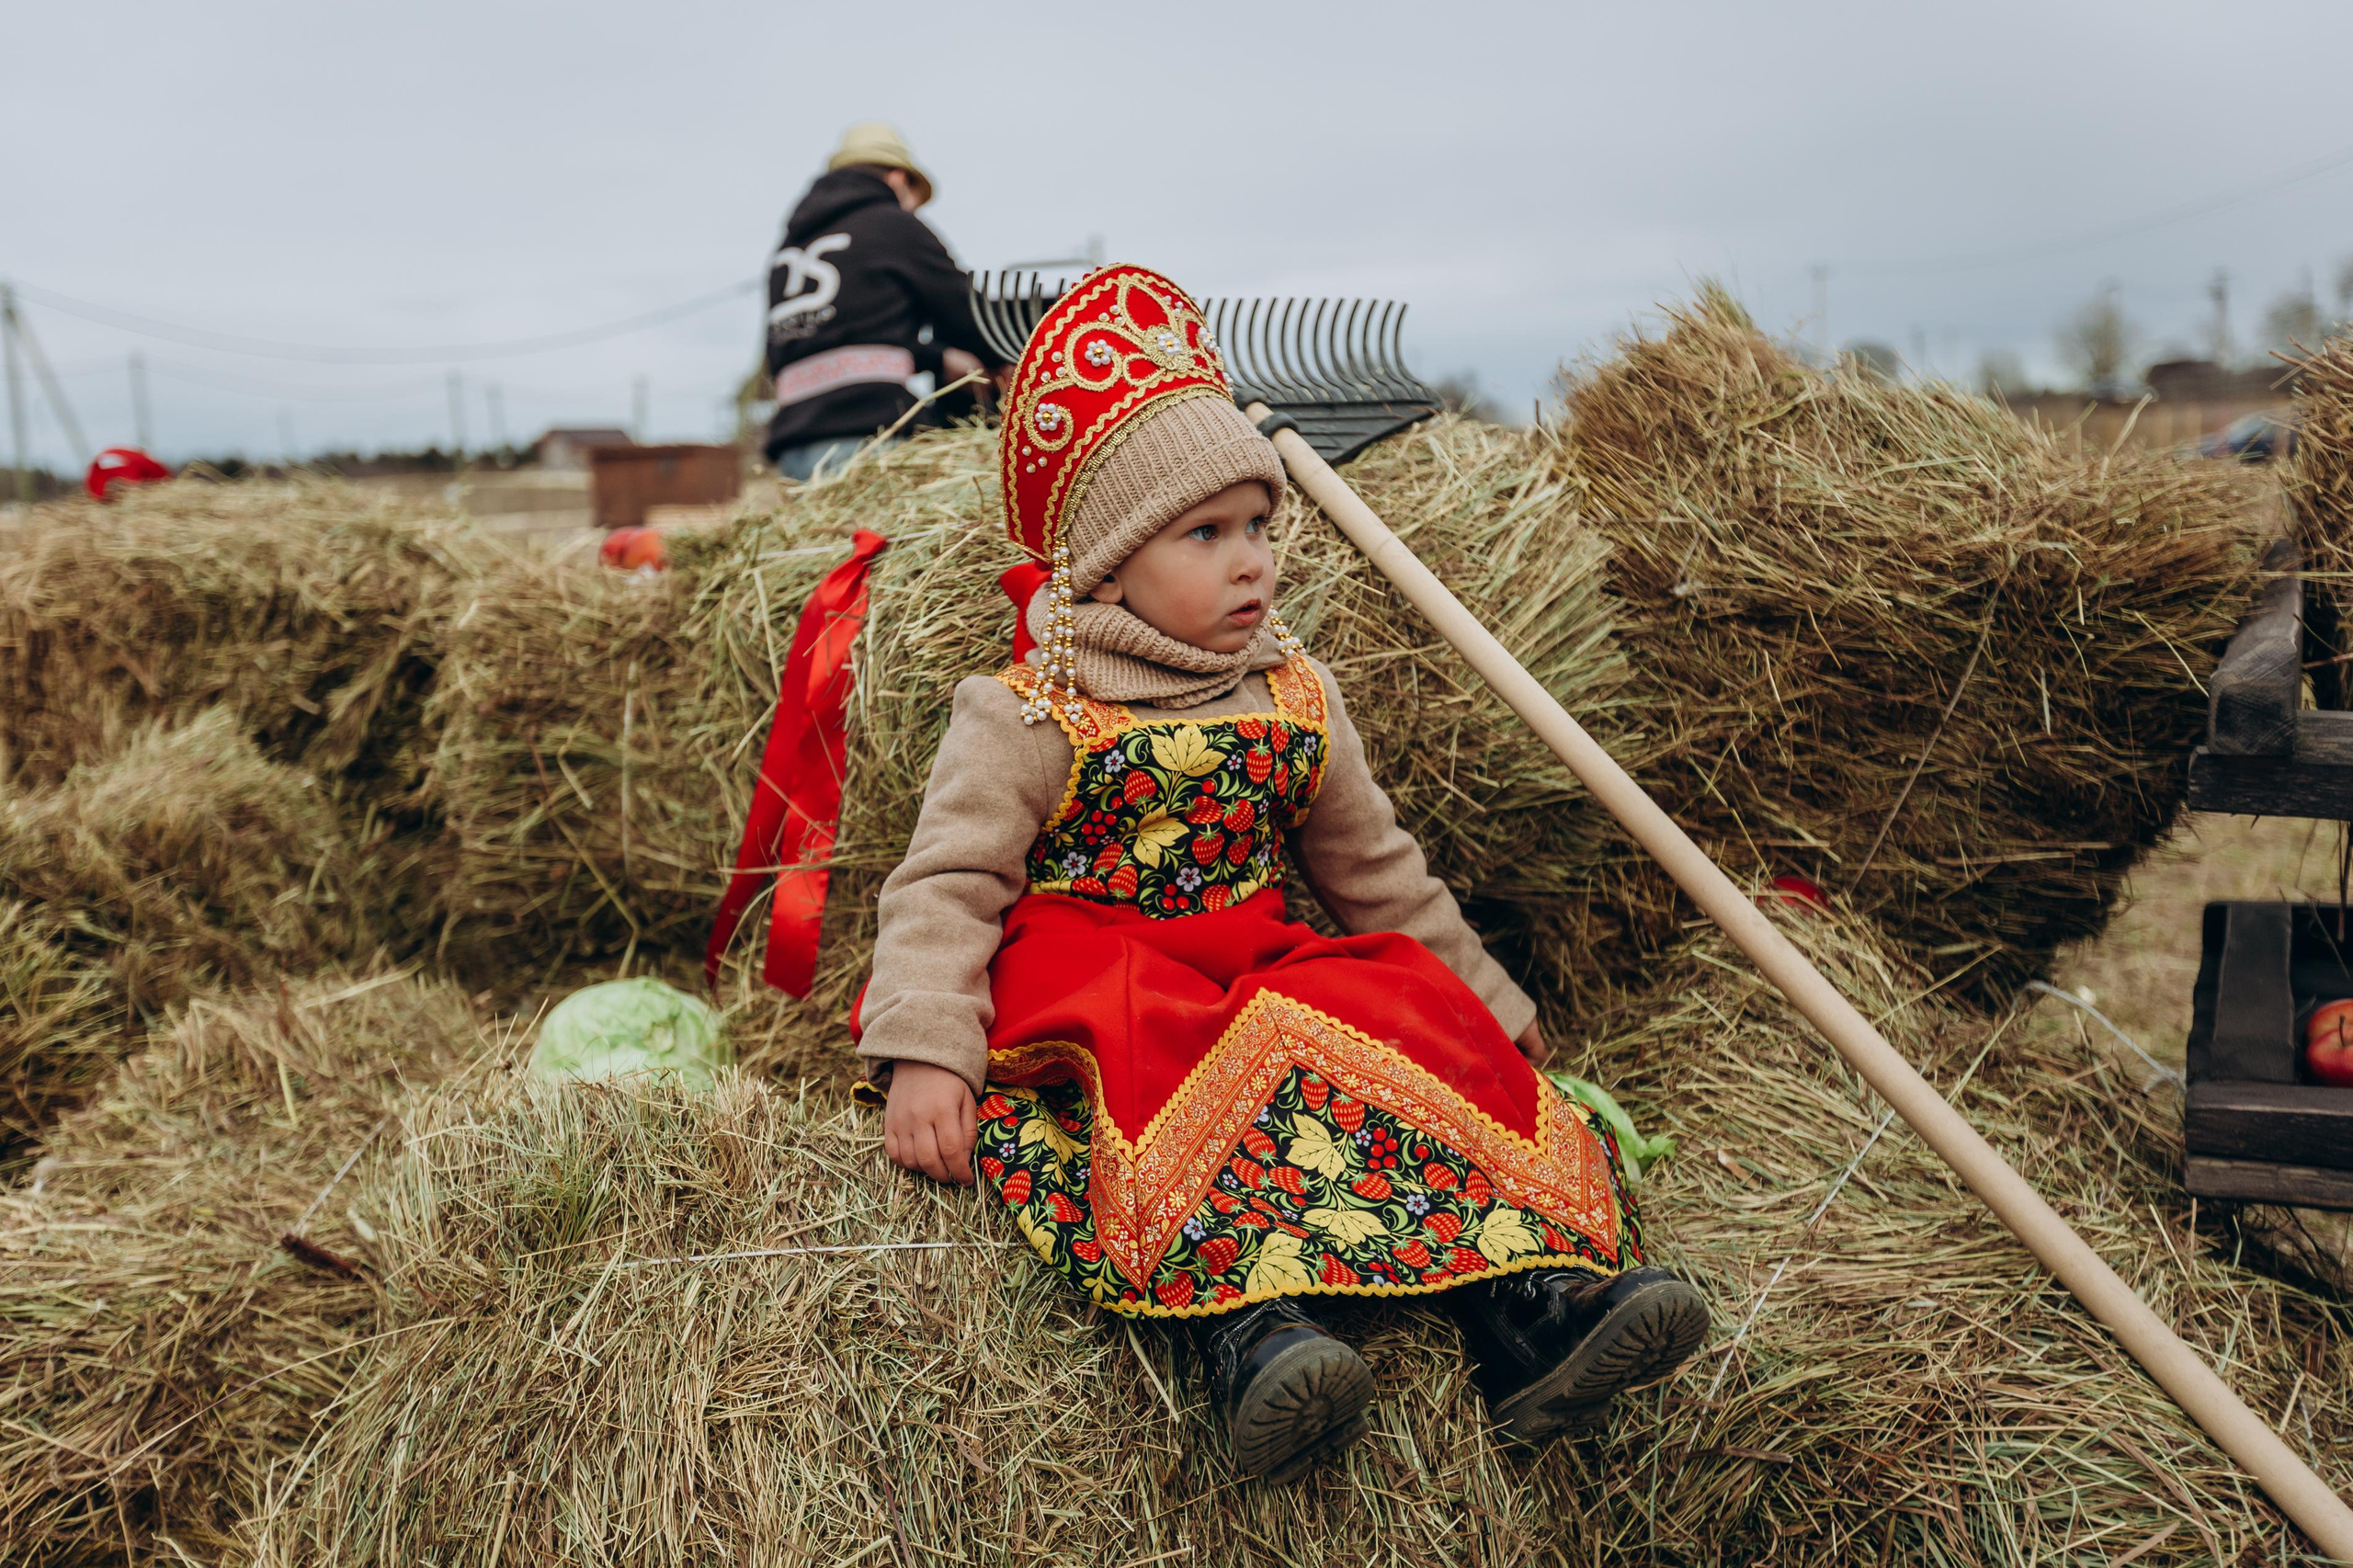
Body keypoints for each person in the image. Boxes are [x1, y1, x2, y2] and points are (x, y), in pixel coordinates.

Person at [853, 265, 1710, 1481]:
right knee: (1161, 1066)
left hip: (1251, 955)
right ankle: (1246, 1336)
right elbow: (947, 882)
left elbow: (1380, 874)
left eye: (1259, 526)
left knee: (1395, 1007)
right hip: (1100, 970)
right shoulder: (1031, 707)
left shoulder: (1295, 691)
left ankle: (1531, 1313)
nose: (1251, 560)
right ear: (1107, 563)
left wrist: (1490, 1015)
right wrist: (926, 1046)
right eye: (1205, 534)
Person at [763, 122, 1001, 483]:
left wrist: (937, 357)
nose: (913, 210)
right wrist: (1001, 359)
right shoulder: (891, 225)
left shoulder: (787, 253)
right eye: (912, 199)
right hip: (870, 438)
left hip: (795, 448)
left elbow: (843, 339)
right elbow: (965, 311)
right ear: (896, 178)